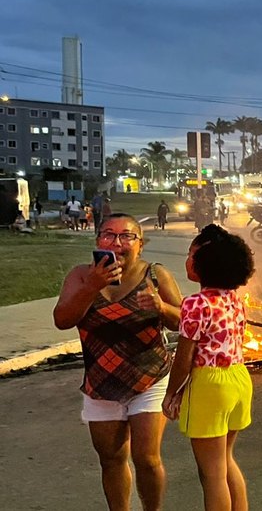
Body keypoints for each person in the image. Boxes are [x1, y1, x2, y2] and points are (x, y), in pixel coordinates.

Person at [53, 213, 184, 511]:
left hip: (149, 377)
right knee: (110, 459)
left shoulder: (155, 275)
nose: (117, 242)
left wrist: (161, 307)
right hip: (101, 382)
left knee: (147, 459)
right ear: (98, 240)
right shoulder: (80, 276)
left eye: (127, 236)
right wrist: (91, 286)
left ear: (140, 244)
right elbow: (62, 320)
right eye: (109, 235)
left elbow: (182, 322)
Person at [163, 225, 256, 511]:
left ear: (206, 263)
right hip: (238, 379)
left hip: (209, 385)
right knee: (226, 461)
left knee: (211, 474)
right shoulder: (235, 300)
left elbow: (185, 356)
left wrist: (171, 394)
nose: (188, 260)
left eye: (192, 254)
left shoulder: (195, 304)